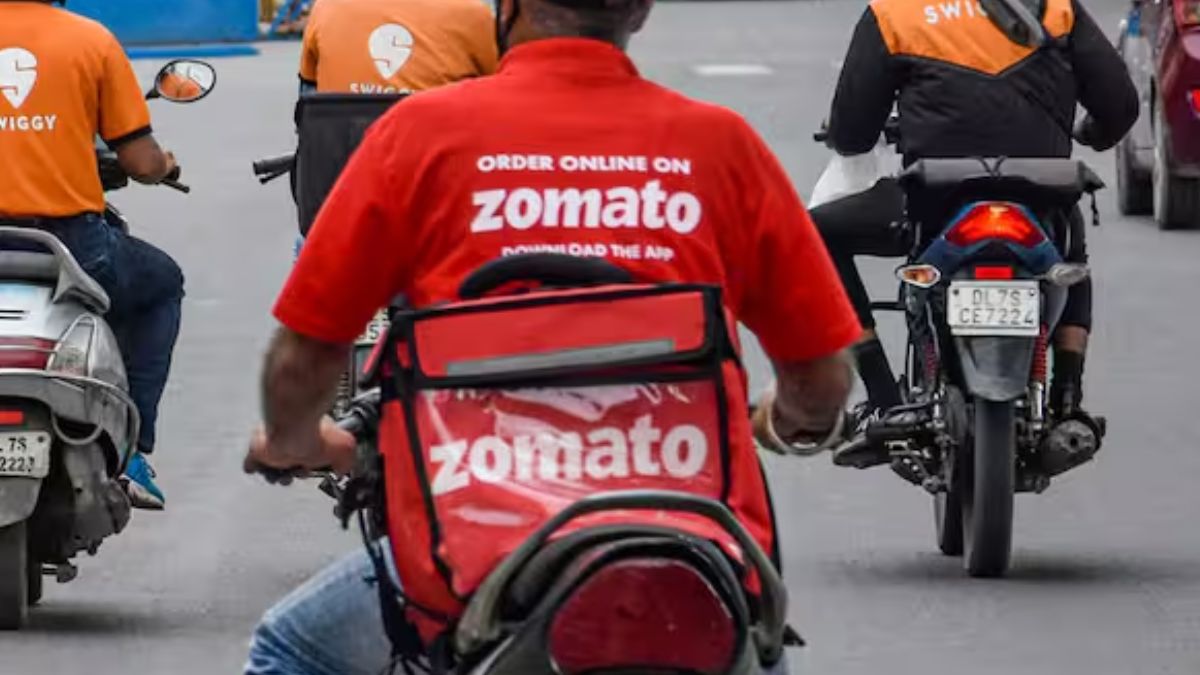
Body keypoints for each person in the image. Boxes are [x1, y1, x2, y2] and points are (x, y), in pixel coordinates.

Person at [241, 0, 861, 670]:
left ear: (508, 9)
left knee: (289, 648)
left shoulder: (417, 134)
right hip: (690, 567)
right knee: (748, 635)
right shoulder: (721, 144)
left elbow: (304, 354)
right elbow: (822, 378)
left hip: (469, 568)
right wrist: (782, 421)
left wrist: (294, 441)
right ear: (641, 12)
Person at [817, 0, 1138, 467]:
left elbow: (852, 137)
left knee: (818, 235)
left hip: (932, 202)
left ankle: (884, 402)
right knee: (1072, 256)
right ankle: (1068, 403)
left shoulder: (896, 15)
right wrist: (1091, 131)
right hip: (1041, 200)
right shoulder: (1055, 10)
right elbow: (1121, 107)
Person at [0, 0, 185, 509]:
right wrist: (164, 166)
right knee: (161, 285)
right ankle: (132, 450)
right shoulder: (89, 39)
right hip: (71, 244)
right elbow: (140, 161)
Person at [298, 0, 499, 95]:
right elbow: (504, 84)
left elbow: (308, 87)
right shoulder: (473, 14)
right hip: (437, 166)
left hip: (341, 162)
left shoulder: (328, 7)